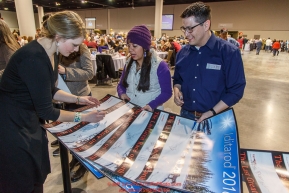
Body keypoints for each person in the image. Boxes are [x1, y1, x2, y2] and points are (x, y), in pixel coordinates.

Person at [0, 11, 106, 193]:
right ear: (58, 36)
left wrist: (79, 98)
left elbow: (50, 89)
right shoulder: (32, 58)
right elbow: (47, 111)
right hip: (12, 125)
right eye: (74, 44)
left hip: (29, 121)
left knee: (36, 175)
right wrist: (84, 117)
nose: (75, 50)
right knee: (21, 178)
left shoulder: (53, 52)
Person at [173, 2, 246, 123]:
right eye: (184, 29)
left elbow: (236, 90)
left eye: (190, 29)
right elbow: (178, 80)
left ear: (206, 25)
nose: (186, 34)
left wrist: (212, 112)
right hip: (186, 116)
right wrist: (176, 89)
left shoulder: (228, 52)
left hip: (215, 117)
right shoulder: (182, 53)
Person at [58, 43, 94, 182]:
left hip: (81, 97)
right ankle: (75, 158)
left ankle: (84, 164)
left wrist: (66, 72)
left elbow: (89, 73)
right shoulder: (59, 47)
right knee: (70, 133)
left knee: (82, 135)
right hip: (63, 97)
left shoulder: (82, 48)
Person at [117, 25, 172, 111]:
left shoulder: (160, 66)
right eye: (129, 46)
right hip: (130, 110)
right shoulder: (128, 63)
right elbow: (121, 85)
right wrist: (122, 93)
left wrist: (152, 105)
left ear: (145, 47)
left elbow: (167, 92)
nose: (130, 50)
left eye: (134, 46)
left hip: (150, 111)